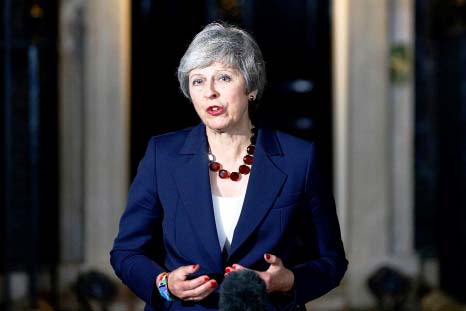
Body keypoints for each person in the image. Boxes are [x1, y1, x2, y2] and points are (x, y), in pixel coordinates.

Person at [110, 22, 347, 311]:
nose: (209, 91)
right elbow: (126, 252)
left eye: (223, 78)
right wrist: (165, 283)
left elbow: (332, 262)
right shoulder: (163, 155)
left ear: (250, 87)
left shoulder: (300, 158)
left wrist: (288, 280)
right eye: (197, 81)